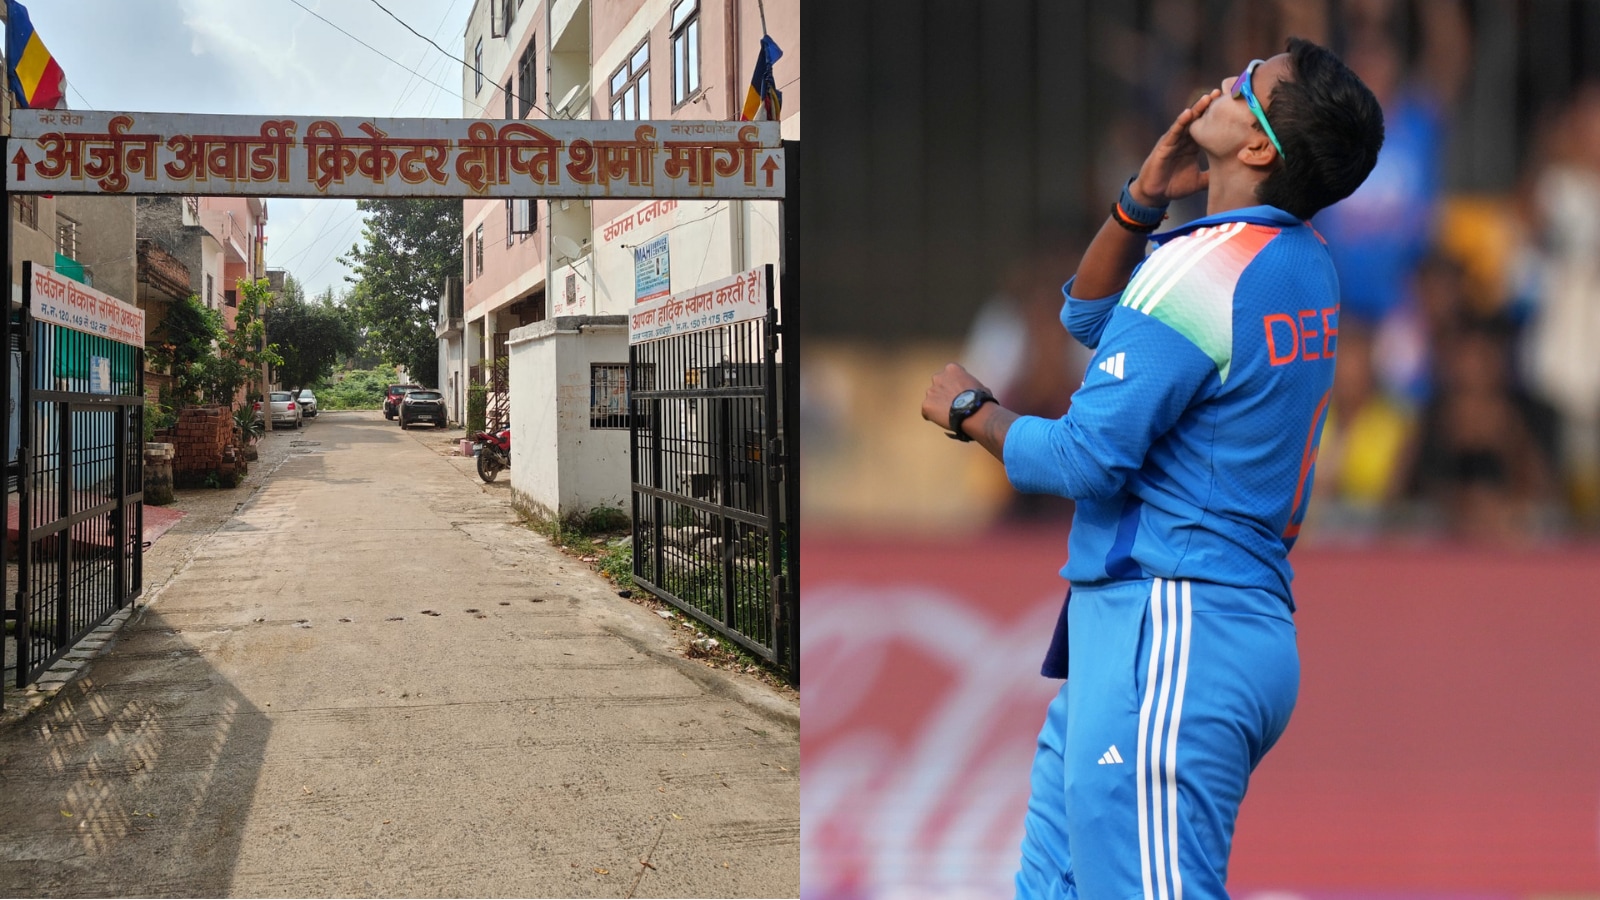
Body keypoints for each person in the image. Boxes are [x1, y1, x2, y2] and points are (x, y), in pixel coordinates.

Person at [920, 38, 1384, 898]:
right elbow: (1097, 317)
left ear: (1257, 149)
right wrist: (1140, 203)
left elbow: (1085, 457)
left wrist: (971, 413)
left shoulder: (1203, 273)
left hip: (1174, 626)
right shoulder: (1299, 261)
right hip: (1202, 626)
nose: (1225, 80)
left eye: (1250, 86)